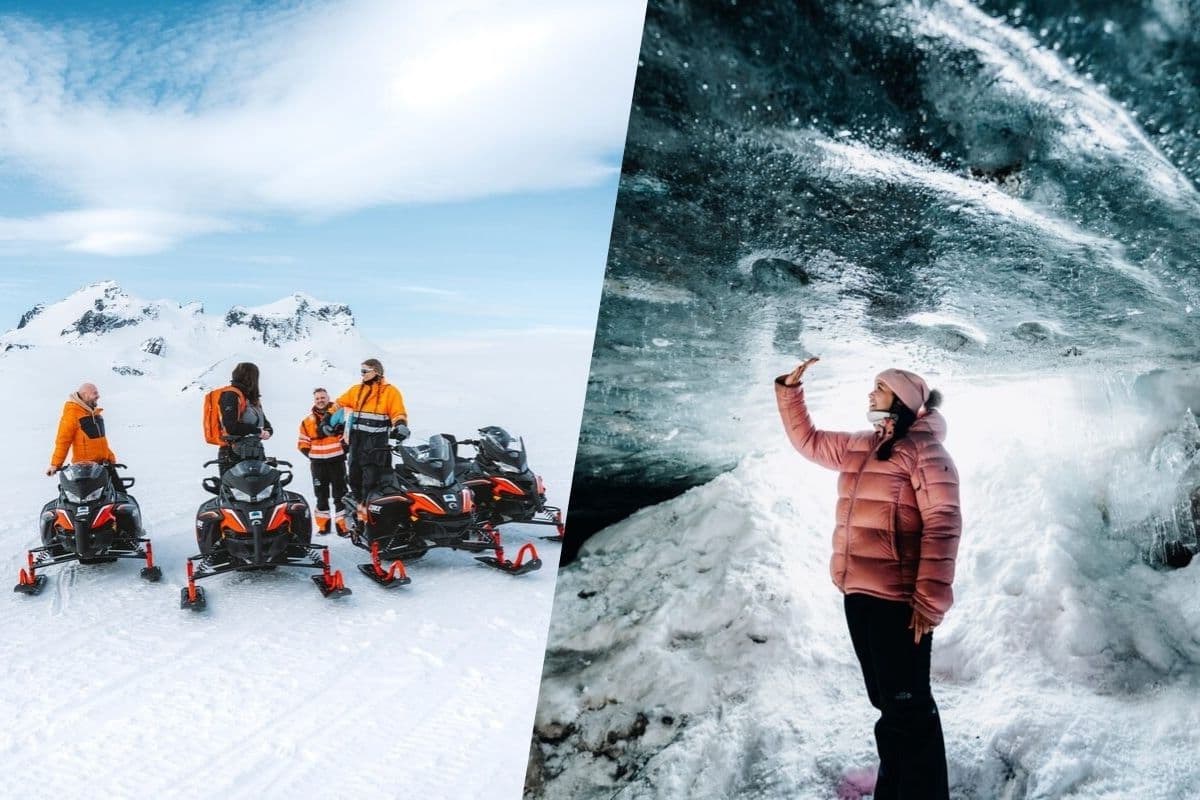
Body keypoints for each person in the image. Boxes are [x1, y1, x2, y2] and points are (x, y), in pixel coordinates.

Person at [775, 356, 961, 800]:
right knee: (888, 703)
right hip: (858, 596)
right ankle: (896, 789)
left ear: (901, 400)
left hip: (898, 601)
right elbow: (810, 441)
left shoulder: (926, 452)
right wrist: (790, 391)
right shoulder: (862, 445)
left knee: (907, 706)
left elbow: (944, 522)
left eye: (879, 387)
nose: (870, 393)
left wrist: (929, 600)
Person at [335, 358, 408, 509]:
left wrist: (400, 425)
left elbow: (398, 413)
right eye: (361, 371)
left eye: (364, 371)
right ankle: (359, 509)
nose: (362, 375)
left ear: (376, 372)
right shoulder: (356, 390)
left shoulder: (390, 392)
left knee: (372, 479)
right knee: (354, 476)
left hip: (377, 445)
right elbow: (339, 404)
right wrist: (328, 419)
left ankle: (372, 511)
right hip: (357, 442)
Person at [298, 387, 349, 535]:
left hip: (337, 462)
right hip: (318, 465)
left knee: (340, 495)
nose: (320, 401)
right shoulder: (307, 421)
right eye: (318, 398)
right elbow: (302, 443)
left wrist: (342, 450)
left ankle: (343, 527)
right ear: (314, 401)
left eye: (323, 398)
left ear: (328, 398)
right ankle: (323, 527)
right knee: (321, 496)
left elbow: (347, 437)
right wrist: (312, 454)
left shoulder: (339, 416)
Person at [47, 382, 119, 484]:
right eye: (95, 393)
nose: (98, 396)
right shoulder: (72, 414)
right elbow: (63, 441)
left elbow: (100, 441)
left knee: (119, 495)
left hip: (103, 467)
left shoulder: (94, 414)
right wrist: (55, 464)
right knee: (91, 499)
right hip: (85, 471)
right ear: (85, 395)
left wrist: (110, 458)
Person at [216, 362, 273, 476]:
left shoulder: (252, 399)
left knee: (260, 490)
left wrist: (267, 431)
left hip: (255, 452)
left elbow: (266, 424)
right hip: (232, 453)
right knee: (235, 491)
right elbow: (231, 427)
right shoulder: (231, 395)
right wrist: (257, 431)